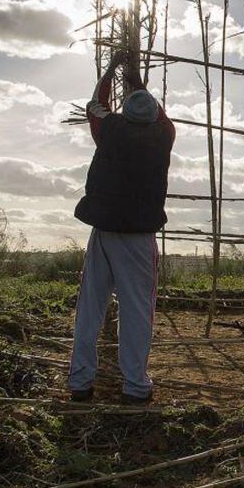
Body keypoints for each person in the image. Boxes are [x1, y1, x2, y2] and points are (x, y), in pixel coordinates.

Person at [68, 51, 175, 404]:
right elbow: (155, 110)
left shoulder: (110, 130)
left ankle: (80, 384)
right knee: (137, 311)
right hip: (139, 238)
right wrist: (137, 81)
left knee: (90, 308)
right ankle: (135, 387)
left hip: (104, 231)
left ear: (125, 113)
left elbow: (96, 103)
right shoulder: (164, 135)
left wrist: (114, 68)